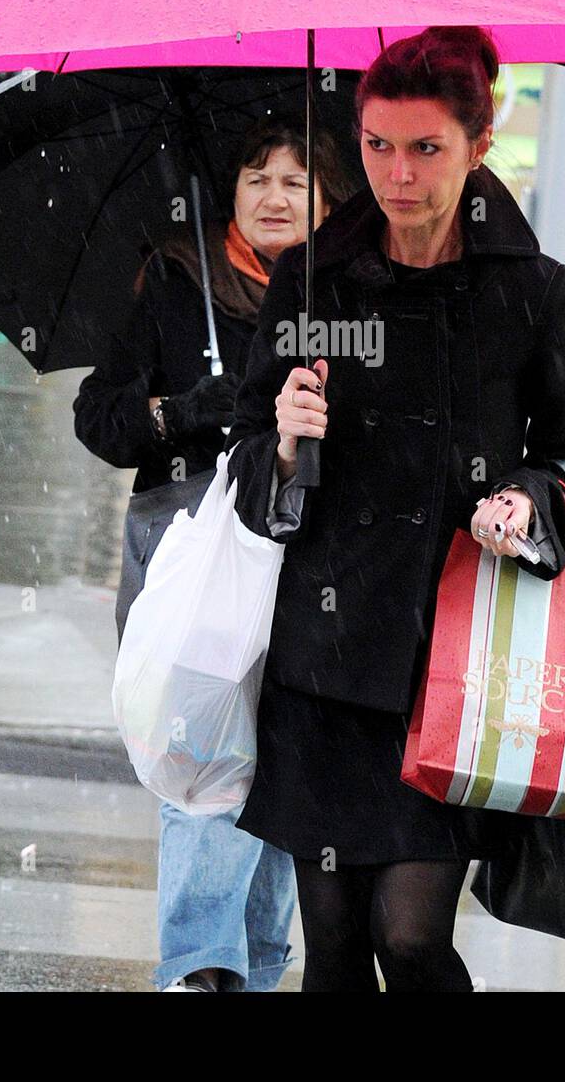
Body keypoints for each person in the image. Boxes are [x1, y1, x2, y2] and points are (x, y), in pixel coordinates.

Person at [224, 26, 565, 993]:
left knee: (410, 936)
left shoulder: (531, 290)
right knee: (335, 951)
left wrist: (525, 498)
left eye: (426, 148)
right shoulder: (308, 280)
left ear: (479, 143)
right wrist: (279, 437)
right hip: (324, 662)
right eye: (376, 145)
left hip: (452, 659)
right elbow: (241, 467)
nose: (397, 175)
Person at [73, 118, 355, 993]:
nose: (274, 196)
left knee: (276, 765)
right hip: (187, 549)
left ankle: (256, 969)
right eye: (256, 177)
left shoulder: (347, 299)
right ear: (227, 191)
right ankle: (200, 970)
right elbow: (100, 419)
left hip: (309, 558)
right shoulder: (175, 276)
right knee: (202, 756)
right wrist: (192, 409)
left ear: (328, 200)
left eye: (296, 181)